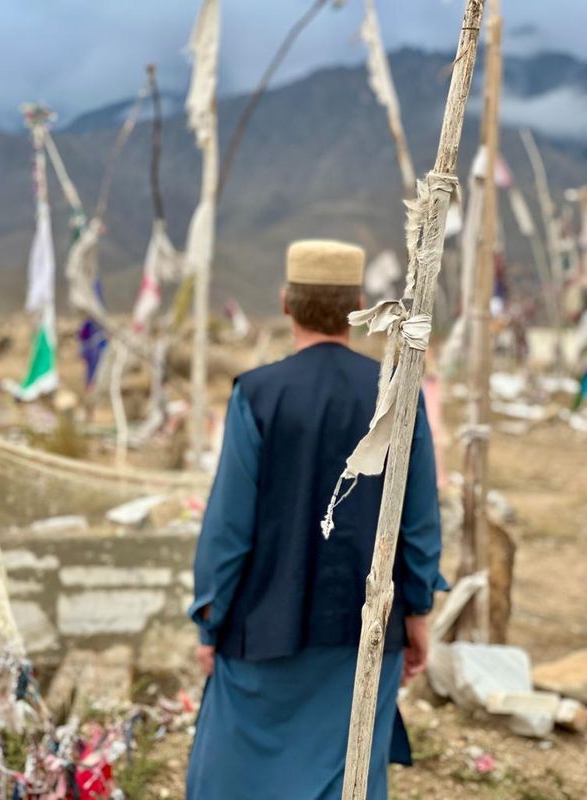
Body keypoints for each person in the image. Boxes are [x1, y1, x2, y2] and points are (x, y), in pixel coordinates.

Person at [186, 240, 446, 799]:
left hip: (260, 632)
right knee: (347, 775)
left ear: (286, 303)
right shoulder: (398, 393)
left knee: (235, 778)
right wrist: (418, 611)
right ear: (357, 306)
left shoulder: (257, 395)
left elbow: (228, 528)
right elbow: (419, 520)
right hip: (365, 629)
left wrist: (210, 617)